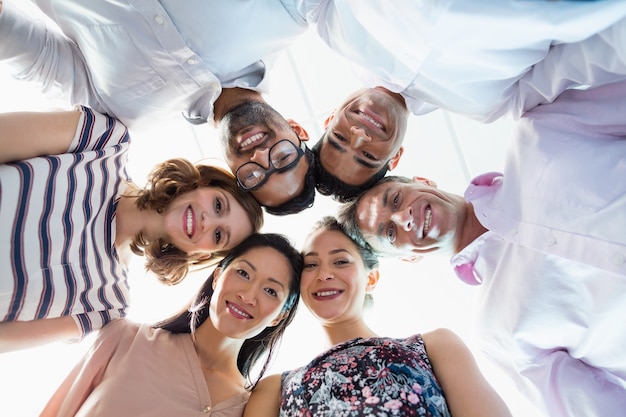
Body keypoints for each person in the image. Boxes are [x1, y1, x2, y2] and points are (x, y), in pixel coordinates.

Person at [4, 1, 626, 211]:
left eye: (256, 174)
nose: (261, 154)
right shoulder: (304, 15)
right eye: (286, 157)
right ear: (302, 126)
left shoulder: (119, 110)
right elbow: (591, 59)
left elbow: (24, 52)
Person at [337, 81, 626, 416]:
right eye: (389, 233)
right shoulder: (496, 331)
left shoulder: (541, 137)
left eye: (396, 199)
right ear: (409, 257)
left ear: (423, 181)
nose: (403, 218)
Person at [0, 106, 263, 352]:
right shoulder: (104, 142)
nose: (208, 221)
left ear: (202, 254)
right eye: (218, 205)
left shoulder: (105, 304)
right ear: (203, 182)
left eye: (218, 235)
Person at [244, 216, 511, 417]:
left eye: (341, 261)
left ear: (371, 278)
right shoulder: (273, 390)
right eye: (311, 264)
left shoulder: (435, 346)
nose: (323, 274)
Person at [39, 232, 304, 417]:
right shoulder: (126, 339)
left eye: (271, 291)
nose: (248, 295)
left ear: (281, 315)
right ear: (217, 276)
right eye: (243, 273)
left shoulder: (250, 409)